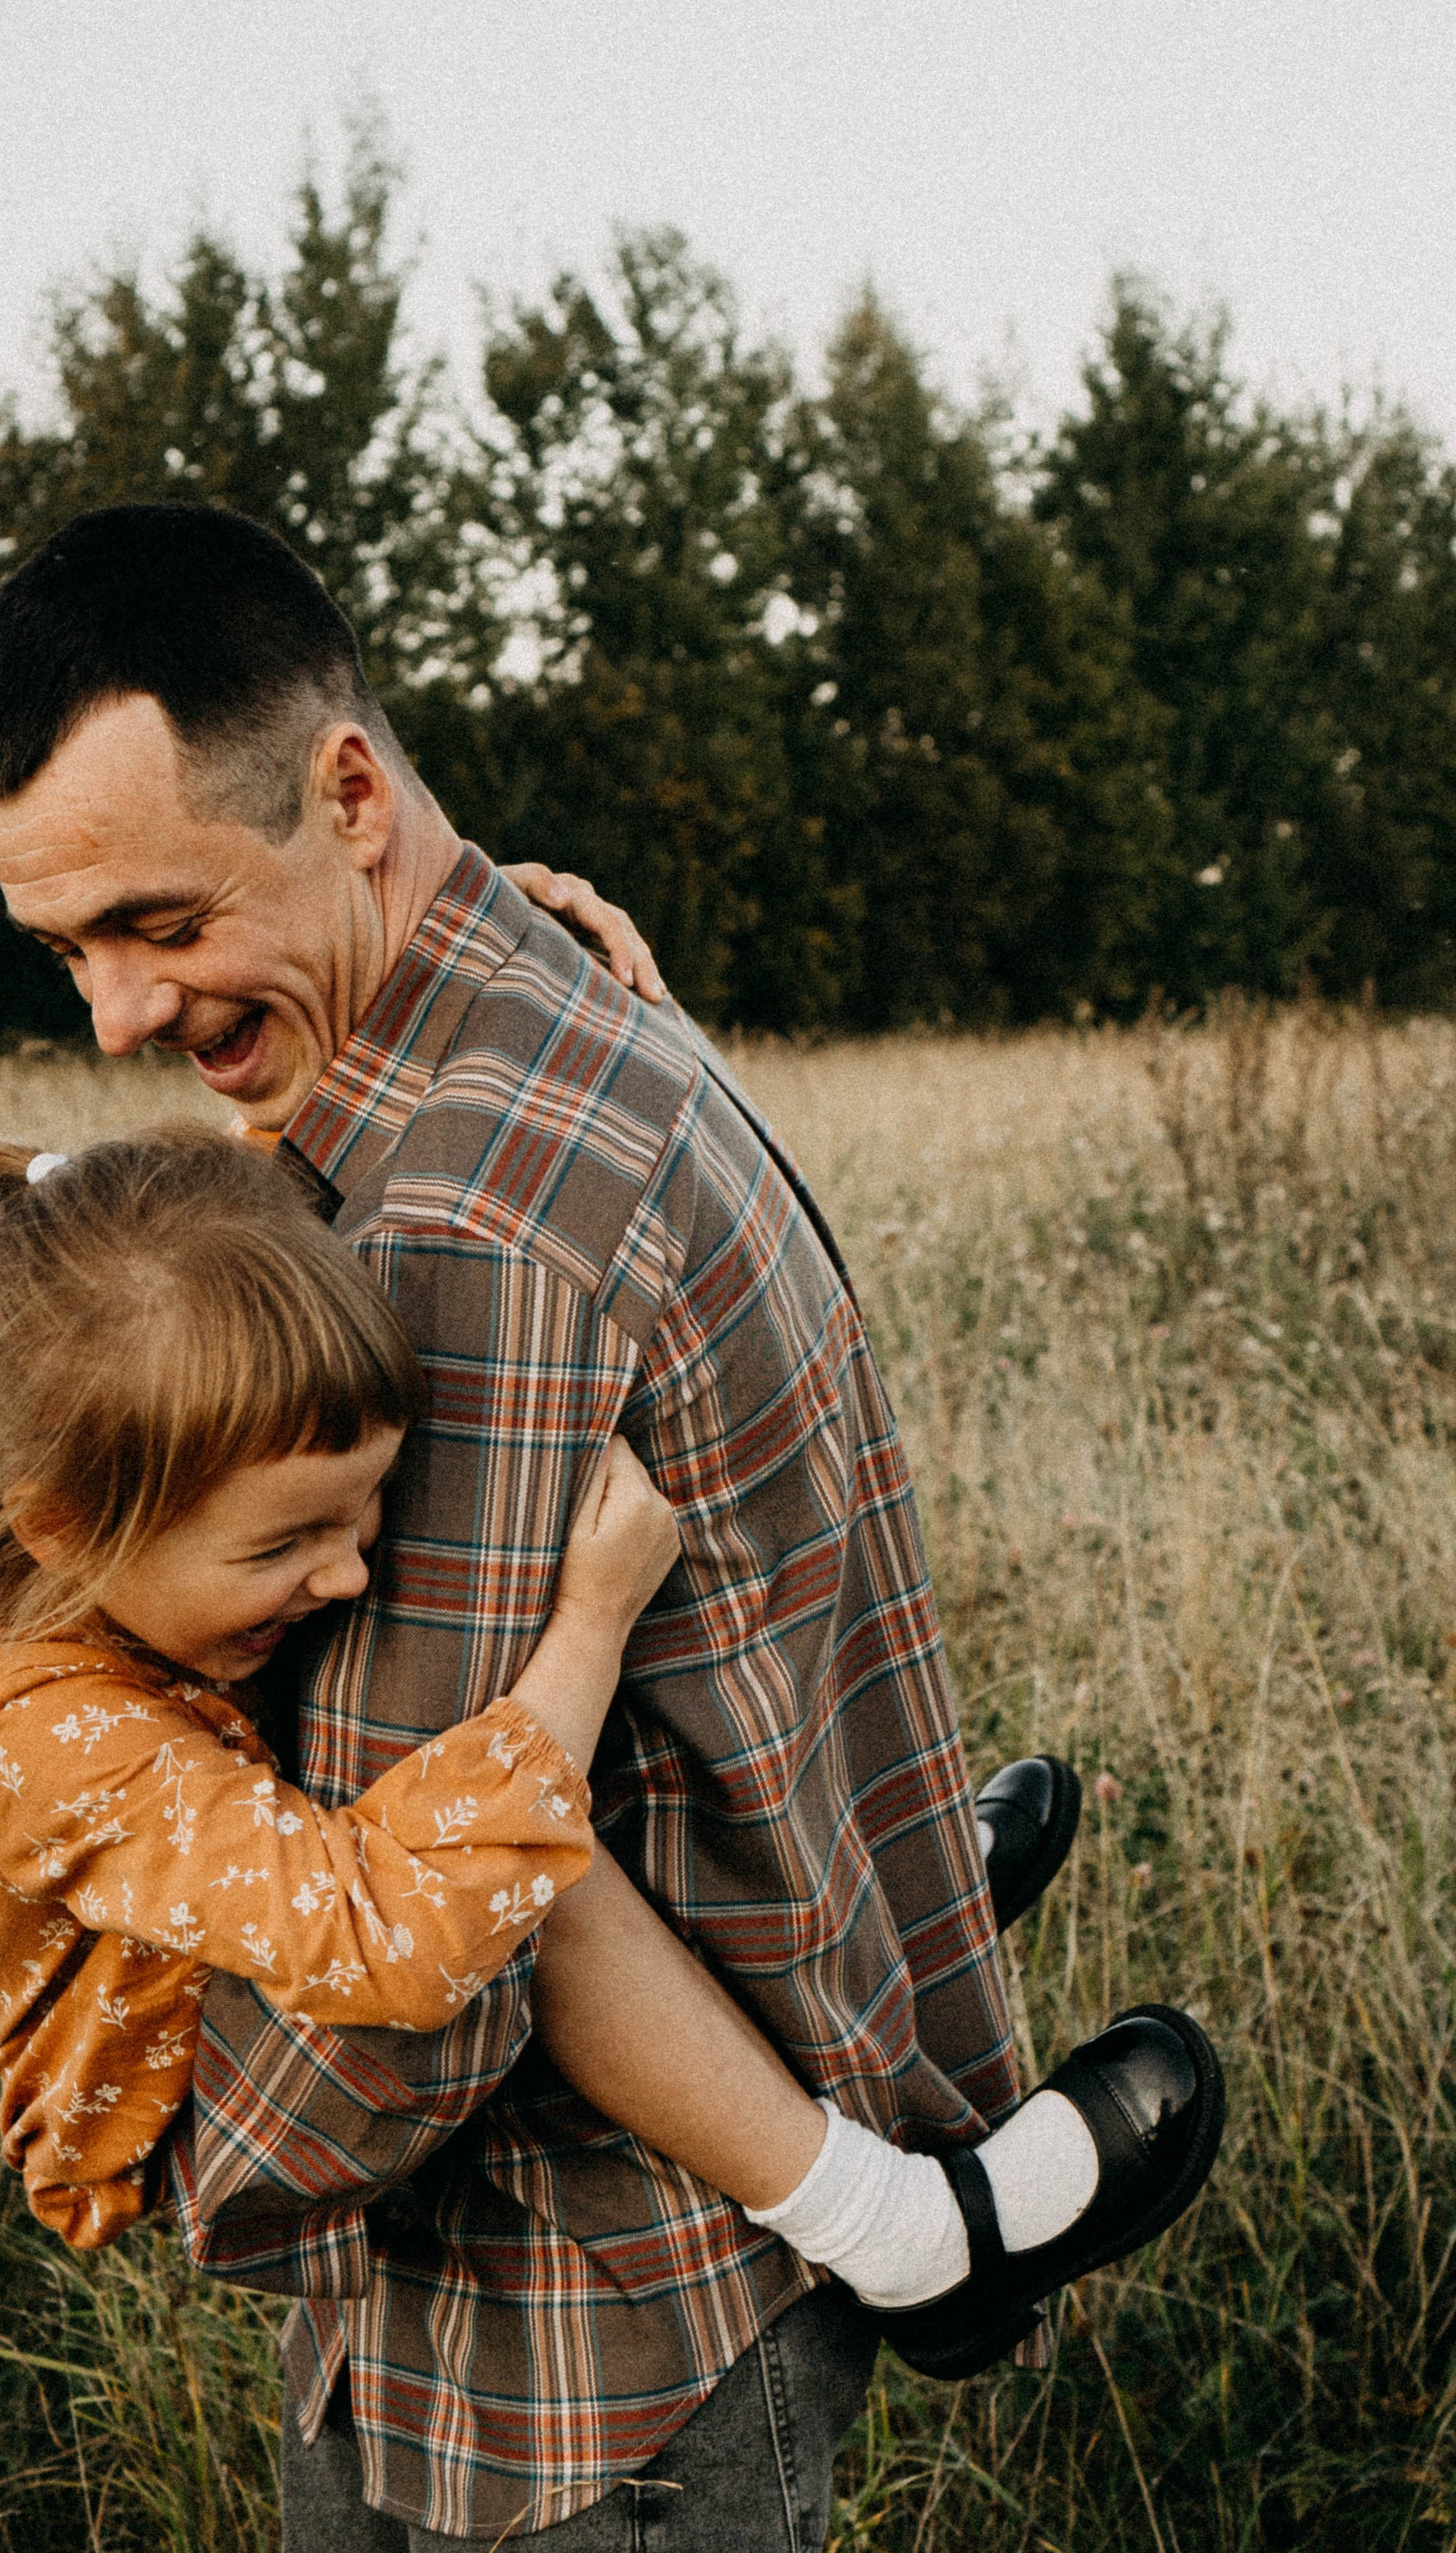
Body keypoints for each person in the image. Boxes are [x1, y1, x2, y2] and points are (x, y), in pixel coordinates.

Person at [0, 505, 1223, 2550]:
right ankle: (858, 1937)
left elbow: (418, 1964)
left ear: (352, 797)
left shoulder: (453, 1234)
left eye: (159, 923)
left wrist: (212, 2174)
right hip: (578, 2284)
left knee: (501, 1821)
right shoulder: (548, 995)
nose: (116, 1012)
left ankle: (922, 2220)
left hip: (561, 2366)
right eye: (67, 955)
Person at [0, 1128, 1217, 2356]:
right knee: (512, 1858)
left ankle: (866, 1928)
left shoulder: (83, 1319)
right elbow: (395, 1936)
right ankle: (914, 2242)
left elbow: (167, 1206)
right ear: (57, 1527)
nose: (350, 1566)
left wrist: (533, 927)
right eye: (281, 1546)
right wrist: (588, 1624)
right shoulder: (41, 1735)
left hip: (261, 1915)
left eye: (363, 1508)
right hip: (183, 2106)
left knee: (486, 1747)